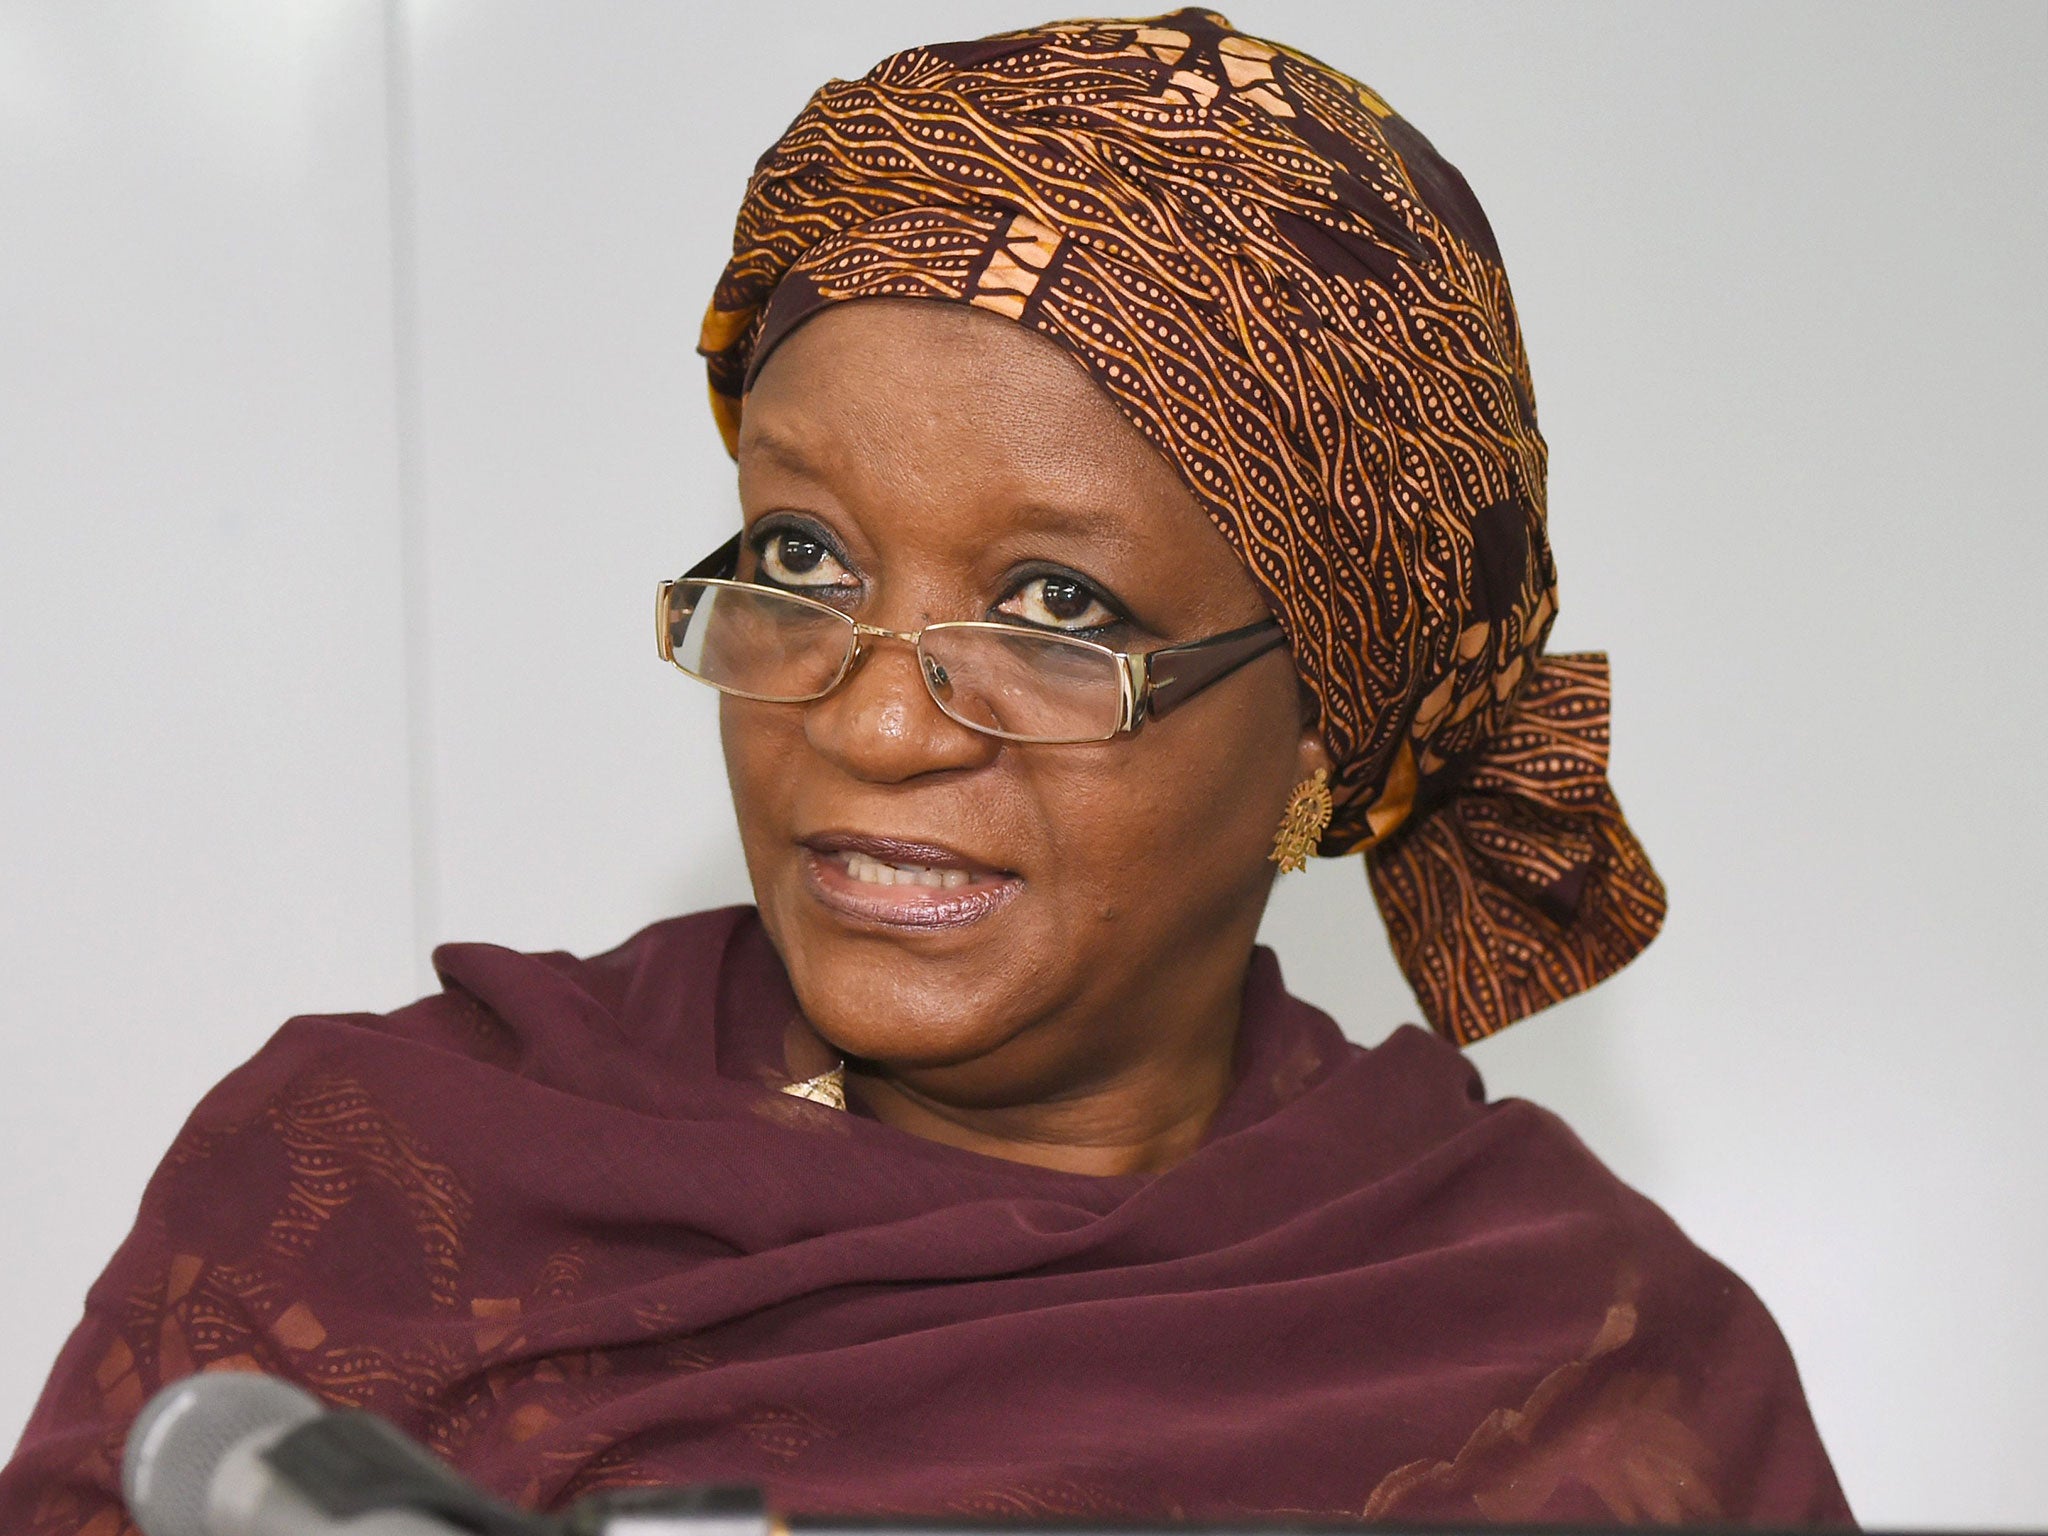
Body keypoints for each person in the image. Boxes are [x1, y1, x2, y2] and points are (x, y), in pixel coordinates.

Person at [0, 10, 1852, 1531]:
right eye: (801, 559)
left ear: (1322, 730)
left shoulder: (1586, 1352)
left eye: (1059, 603)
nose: (873, 726)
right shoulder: (369, 1192)